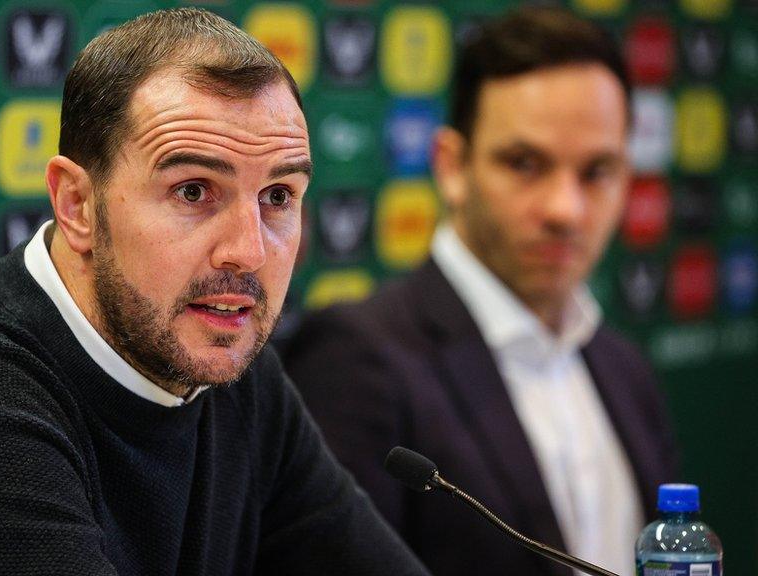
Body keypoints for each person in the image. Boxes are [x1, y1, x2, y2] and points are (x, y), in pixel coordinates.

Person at [0, 9, 429, 575]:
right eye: (194, 191)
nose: (249, 251)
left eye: (278, 197)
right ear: (78, 206)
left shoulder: (236, 380)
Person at [283, 7, 679, 576]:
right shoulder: (356, 357)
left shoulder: (626, 369)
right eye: (525, 164)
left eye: (597, 171)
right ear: (452, 167)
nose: (565, 210)